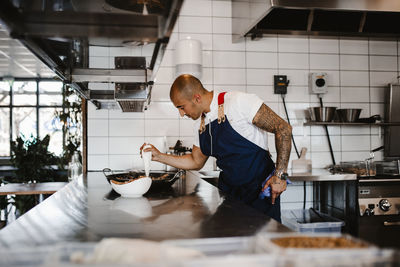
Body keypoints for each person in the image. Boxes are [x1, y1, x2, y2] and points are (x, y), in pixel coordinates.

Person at [141, 74, 292, 222]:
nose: (181, 114)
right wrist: (159, 156)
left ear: (197, 98)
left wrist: (279, 176)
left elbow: (283, 128)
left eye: (181, 107)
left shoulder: (238, 102)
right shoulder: (200, 125)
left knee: (262, 245)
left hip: (259, 194)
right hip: (230, 195)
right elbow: (195, 161)